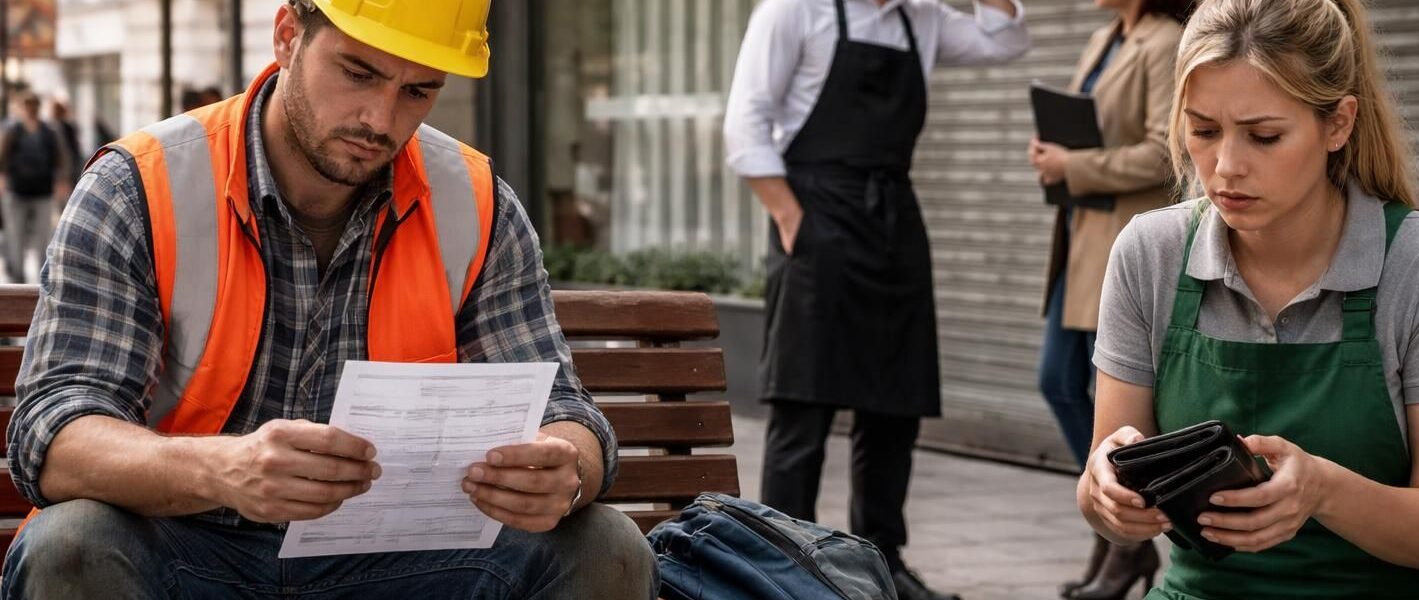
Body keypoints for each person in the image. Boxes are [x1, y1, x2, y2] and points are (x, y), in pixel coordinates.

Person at [1, 1, 655, 598]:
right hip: (185, 544)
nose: (381, 119)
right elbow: (57, 436)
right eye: (359, 73)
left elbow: (567, 413)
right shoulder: (138, 190)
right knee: (70, 544)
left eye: (418, 90)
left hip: (403, 562)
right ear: (287, 35)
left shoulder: (475, 203)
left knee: (602, 545)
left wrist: (566, 471)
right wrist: (223, 470)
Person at [1078, 0, 1419, 598]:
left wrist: (1323, 491)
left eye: (1264, 136)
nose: (1225, 167)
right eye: (1203, 131)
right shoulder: (1148, 253)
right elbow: (1102, 482)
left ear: (1339, 124)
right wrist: (1105, 495)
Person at [723, 1, 1031, 599]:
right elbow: (745, 124)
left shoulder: (926, 19)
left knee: (896, 404)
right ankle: (781, 568)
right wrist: (790, 217)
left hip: (895, 215)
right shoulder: (793, 11)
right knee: (802, 405)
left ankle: (884, 564)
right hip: (817, 211)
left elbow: (1007, 41)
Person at [1024, 1, 1191, 597]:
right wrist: (1053, 156)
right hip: (1079, 239)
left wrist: (1077, 165)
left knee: (1112, 399)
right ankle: (1123, 535)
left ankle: (1125, 541)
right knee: (1057, 381)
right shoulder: (1104, 39)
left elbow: (1165, 149)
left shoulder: (1166, 40)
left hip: (1123, 237)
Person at [0, 91, 70, 284]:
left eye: (34, 106)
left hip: (42, 192)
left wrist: (61, 181)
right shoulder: (12, 130)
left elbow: (59, 158)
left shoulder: (48, 132)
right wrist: (3, 179)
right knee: (16, 237)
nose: (31, 110)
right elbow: (3, 157)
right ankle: (17, 279)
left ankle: (42, 280)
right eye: (28, 106)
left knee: (42, 239)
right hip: (16, 191)